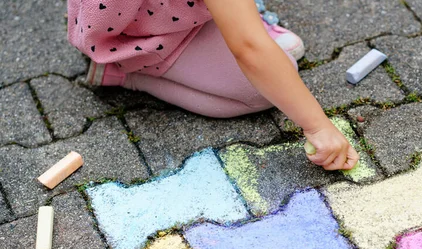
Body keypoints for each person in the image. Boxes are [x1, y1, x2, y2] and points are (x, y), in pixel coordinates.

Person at [68, 0, 359, 171]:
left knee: (277, 61)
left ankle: (240, 14)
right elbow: (250, 50)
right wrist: (317, 126)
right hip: (140, 34)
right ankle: (124, 71)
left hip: (118, 12)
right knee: (260, 89)